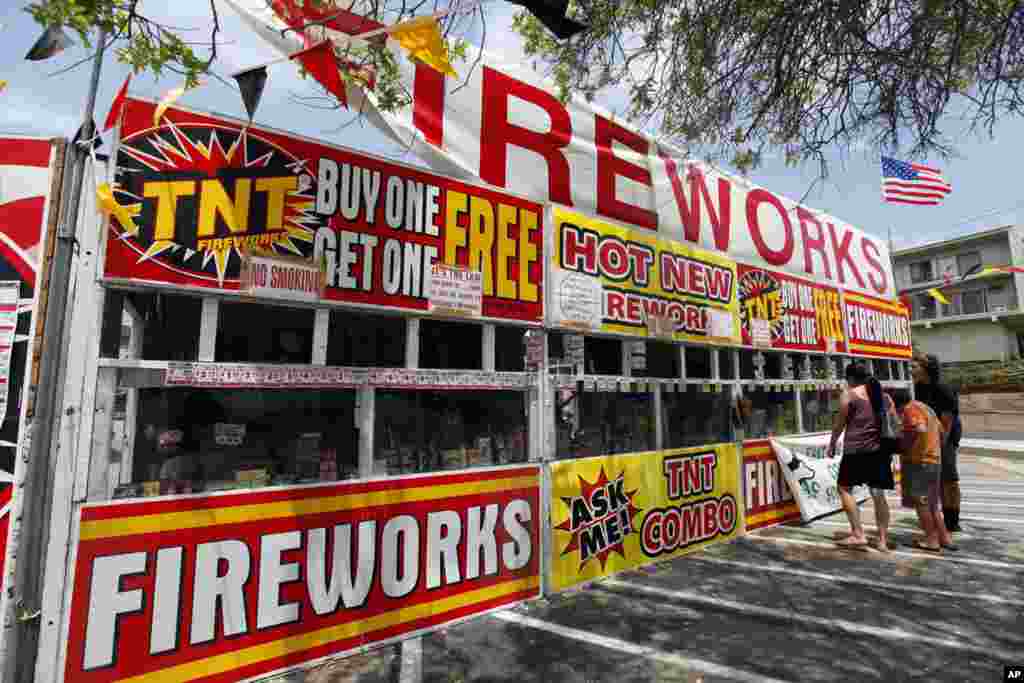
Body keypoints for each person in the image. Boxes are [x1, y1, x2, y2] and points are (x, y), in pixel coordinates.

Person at [827, 363, 898, 550]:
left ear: (850, 378)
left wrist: (832, 443)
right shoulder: (884, 396)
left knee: (844, 488)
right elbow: (893, 422)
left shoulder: (849, 395)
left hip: (856, 451)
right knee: (878, 494)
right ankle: (882, 540)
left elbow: (839, 424)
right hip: (879, 451)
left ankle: (858, 534)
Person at [891, 389, 956, 552]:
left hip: (919, 461)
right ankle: (945, 538)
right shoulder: (926, 408)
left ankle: (931, 540)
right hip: (934, 460)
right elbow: (942, 433)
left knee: (922, 502)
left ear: (897, 404)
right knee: (933, 503)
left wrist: (905, 445)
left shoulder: (910, 409)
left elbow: (918, 428)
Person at [911, 353, 962, 532]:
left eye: (915, 366)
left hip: (946, 438)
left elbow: (947, 423)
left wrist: (940, 445)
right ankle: (939, 519)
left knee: (949, 480)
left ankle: (952, 520)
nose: (911, 369)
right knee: (936, 481)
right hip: (928, 438)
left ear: (926, 369)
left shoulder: (943, 389)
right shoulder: (916, 388)